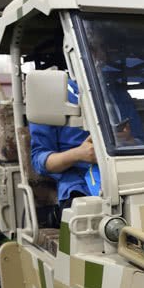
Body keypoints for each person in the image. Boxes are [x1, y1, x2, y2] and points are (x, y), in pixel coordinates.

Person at [30, 79, 100, 213]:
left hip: (122, 177)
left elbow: (139, 140)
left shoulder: (116, 90)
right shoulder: (52, 94)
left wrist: (128, 140)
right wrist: (79, 154)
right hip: (79, 185)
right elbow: (39, 160)